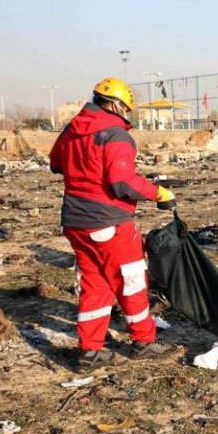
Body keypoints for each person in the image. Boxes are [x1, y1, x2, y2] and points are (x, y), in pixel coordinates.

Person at [49, 78, 178, 372]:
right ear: (119, 105)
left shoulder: (72, 129)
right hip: (109, 222)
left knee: (95, 284)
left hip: (75, 222)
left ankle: (90, 351)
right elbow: (123, 183)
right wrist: (160, 193)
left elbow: (55, 163)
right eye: (126, 109)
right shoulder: (115, 134)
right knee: (131, 281)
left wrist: (82, 168)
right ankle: (144, 342)